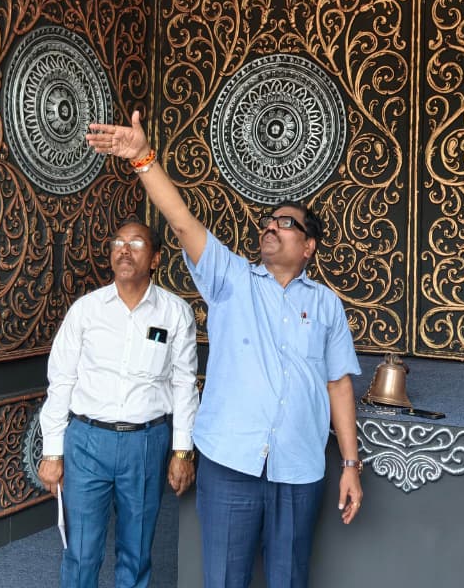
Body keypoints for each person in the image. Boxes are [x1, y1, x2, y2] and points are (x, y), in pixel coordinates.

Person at [87, 111, 363, 588]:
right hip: (231, 464)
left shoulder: (327, 305)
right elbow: (181, 221)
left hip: (298, 468)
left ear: (309, 246)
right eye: (268, 221)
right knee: (224, 580)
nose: (271, 227)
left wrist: (351, 465)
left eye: (286, 222)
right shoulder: (230, 279)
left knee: (289, 580)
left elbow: (338, 385)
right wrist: (143, 158)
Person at [38, 217, 200, 588]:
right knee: (81, 550)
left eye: (137, 243)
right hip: (87, 441)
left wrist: (182, 451)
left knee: (136, 550)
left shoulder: (175, 312)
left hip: (146, 443)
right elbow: (61, 381)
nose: (124, 250)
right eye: (117, 243)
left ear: (155, 258)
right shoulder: (86, 310)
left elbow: (184, 384)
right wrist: (52, 452)